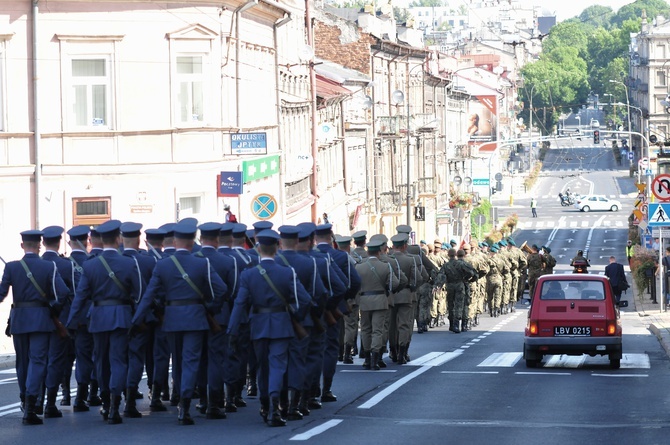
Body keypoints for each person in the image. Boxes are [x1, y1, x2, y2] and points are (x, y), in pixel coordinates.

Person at [130, 222, 226, 425]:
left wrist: (137, 319)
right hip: (196, 317)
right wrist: (208, 306)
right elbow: (221, 289)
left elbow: (149, 296)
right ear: (193, 241)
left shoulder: (163, 264)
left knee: (178, 362)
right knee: (191, 361)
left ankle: (181, 398)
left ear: (174, 241)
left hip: (172, 318)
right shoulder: (202, 263)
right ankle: (185, 406)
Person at [226, 229, 311, 427]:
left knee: (262, 368)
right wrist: (296, 316)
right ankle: (274, 404)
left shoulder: (248, 275)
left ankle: (265, 403)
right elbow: (305, 300)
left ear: (258, 249)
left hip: (258, 325)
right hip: (282, 324)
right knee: (278, 366)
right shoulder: (287, 272)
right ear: (277, 247)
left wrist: (232, 331)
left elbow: (240, 304)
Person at [67, 220, 143, 425]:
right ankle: (115, 407)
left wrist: (71, 322)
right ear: (118, 238)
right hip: (122, 316)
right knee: (118, 360)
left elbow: (80, 297)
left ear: (98, 240)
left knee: (100, 361)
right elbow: (138, 294)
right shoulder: (129, 263)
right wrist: (137, 317)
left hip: (98, 317)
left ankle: (106, 401)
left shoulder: (90, 265)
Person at [1, 230, 70, 425]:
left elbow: (1, 293)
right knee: (38, 361)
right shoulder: (49, 266)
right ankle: (32, 404)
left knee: (22, 362)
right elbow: (63, 293)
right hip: (41, 319)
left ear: (22, 245)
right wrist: (52, 308)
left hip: (19, 320)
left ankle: (25, 398)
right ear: (39, 245)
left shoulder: (12, 268)